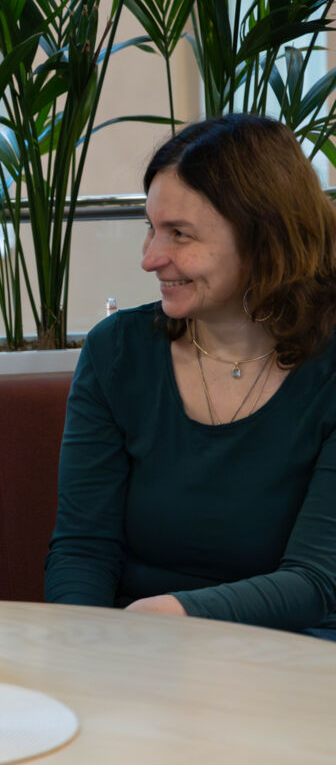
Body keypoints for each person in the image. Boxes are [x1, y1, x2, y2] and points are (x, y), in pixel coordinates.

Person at [45, 114, 336, 639]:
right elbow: (83, 550)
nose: (151, 258)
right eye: (150, 228)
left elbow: (317, 581)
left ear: (263, 238)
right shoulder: (118, 351)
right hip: (141, 651)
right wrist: (82, 647)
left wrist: (173, 617)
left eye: (179, 234)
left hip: (297, 654)